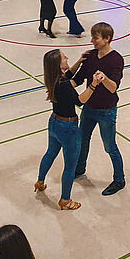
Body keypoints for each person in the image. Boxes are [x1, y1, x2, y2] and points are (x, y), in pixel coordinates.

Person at [36, 49, 103, 210]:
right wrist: (93, 84)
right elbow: (80, 101)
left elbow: (69, 75)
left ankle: (40, 181)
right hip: (68, 128)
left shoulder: (54, 79)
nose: (67, 57)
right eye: (64, 57)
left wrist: (79, 62)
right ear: (59, 65)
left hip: (54, 123)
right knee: (70, 166)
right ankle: (65, 200)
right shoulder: (64, 86)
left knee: (50, 153)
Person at [68, 22, 126, 196]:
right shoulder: (91, 56)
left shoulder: (116, 59)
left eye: (96, 38)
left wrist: (104, 78)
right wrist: (61, 87)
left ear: (107, 39)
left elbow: (113, 87)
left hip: (107, 111)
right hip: (89, 108)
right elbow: (77, 79)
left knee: (110, 146)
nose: (92, 41)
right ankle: (79, 169)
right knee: (82, 140)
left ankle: (119, 179)